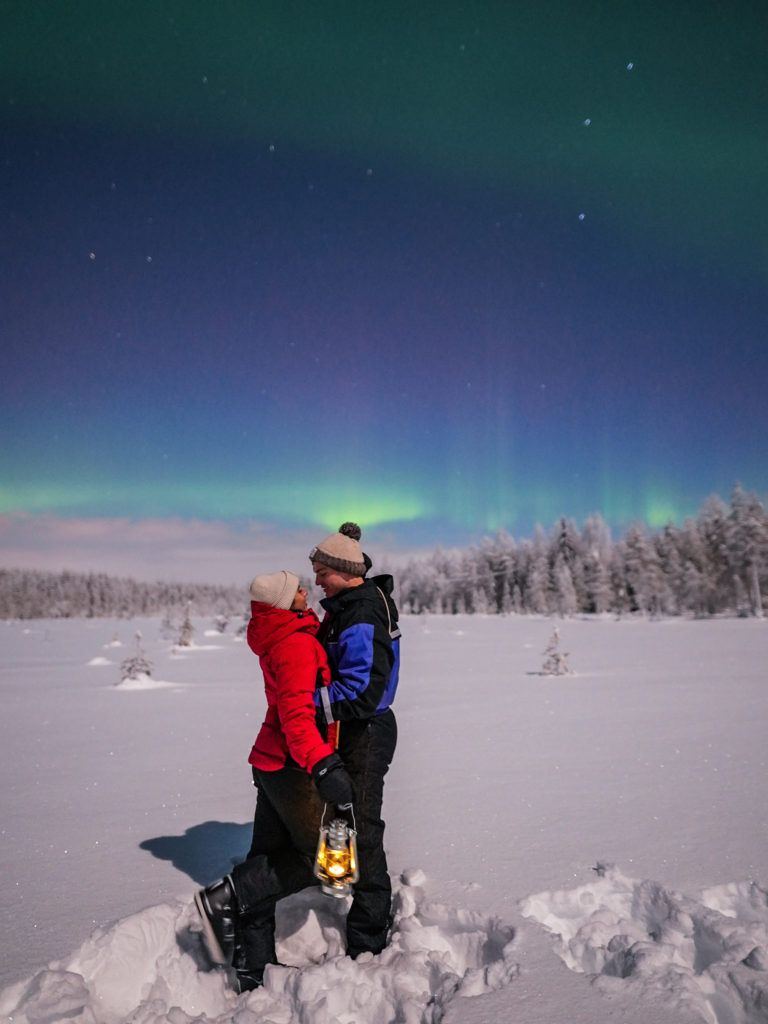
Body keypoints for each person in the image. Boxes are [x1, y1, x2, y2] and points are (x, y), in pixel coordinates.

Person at [195, 569, 356, 992]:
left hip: (270, 762)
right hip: (292, 765)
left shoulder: (283, 634)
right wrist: (324, 766)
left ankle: (253, 964)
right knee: (315, 858)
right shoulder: (298, 644)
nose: (307, 590)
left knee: (265, 856)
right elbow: (297, 718)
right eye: (298, 589)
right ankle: (225, 897)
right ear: (285, 603)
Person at [309, 522, 400, 961]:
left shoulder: (361, 612)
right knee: (339, 815)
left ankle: (368, 937)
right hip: (350, 728)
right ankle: (336, 888)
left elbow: (363, 692)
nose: (317, 580)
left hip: (367, 731)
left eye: (322, 572)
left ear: (345, 571)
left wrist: (307, 703)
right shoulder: (344, 605)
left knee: (363, 826)